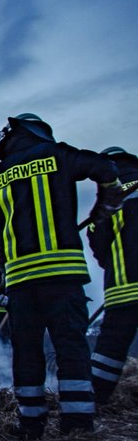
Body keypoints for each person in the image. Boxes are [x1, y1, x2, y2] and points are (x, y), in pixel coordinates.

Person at [0, 113, 122, 440]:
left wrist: (2, 257)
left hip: (21, 282)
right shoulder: (57, 155)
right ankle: (78, 424)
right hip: (62, 274)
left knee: (26, 351)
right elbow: (106, 168)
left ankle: (30, 424)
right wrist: (108, 200)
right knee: (70, 346)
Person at [87, 146, 138, 405]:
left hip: (125, 286)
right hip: (124, 284)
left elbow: (97, 242)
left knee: (110, 351)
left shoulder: (109, 199)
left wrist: (116, 264)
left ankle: (95, 402)